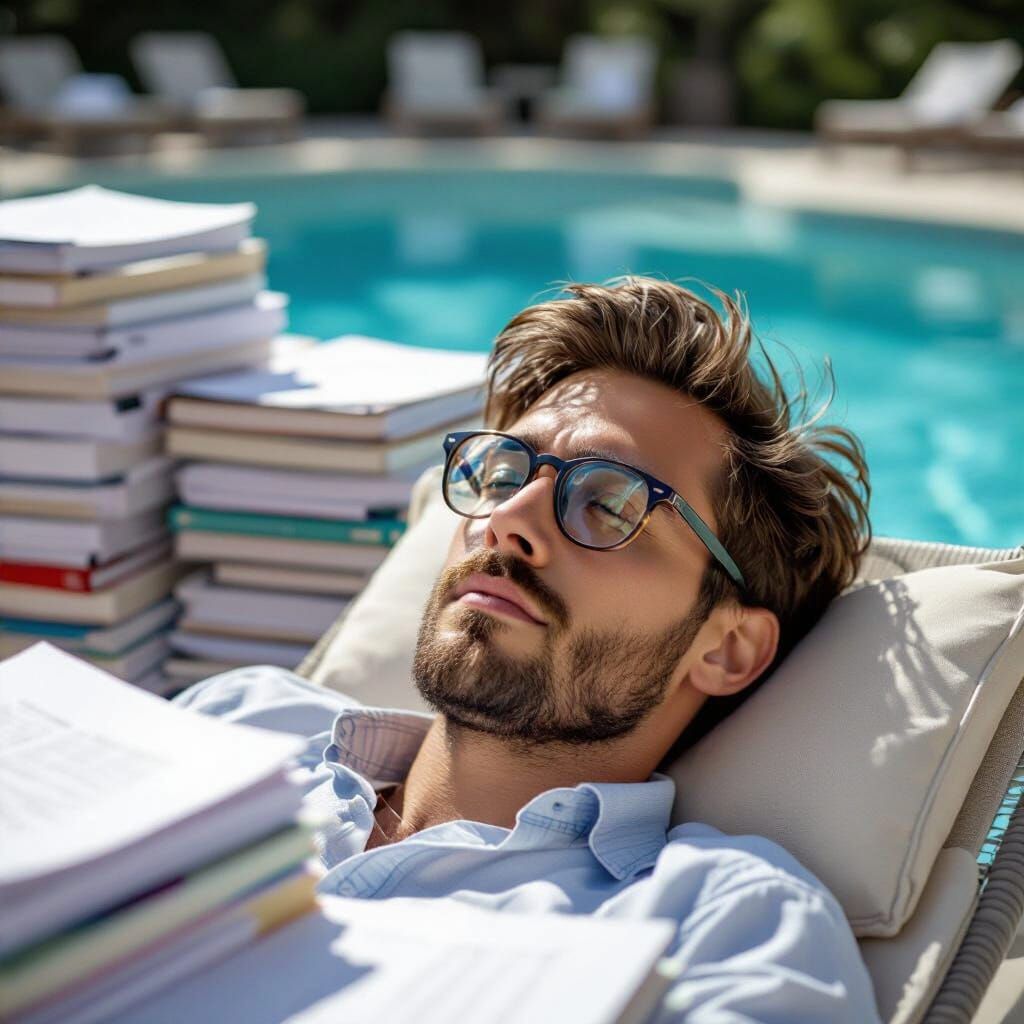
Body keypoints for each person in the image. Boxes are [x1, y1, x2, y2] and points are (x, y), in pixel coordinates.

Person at [177, 278, 880, 1021]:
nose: (507, 518)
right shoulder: (241, 719)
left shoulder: (721, 928)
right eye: (505, 473)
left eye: (608, 503)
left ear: (728, 647)